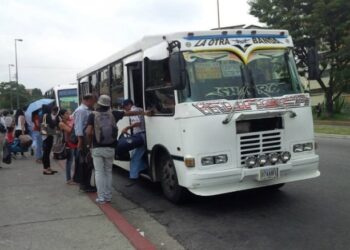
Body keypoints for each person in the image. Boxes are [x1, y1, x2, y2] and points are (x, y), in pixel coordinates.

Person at [86, 95, 150, 204]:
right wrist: (144, 113)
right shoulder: (114, 114)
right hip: (111, 147)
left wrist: (89, 145)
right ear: (109, 104)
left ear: (99, 104)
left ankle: (101, 197)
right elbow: (129, 113)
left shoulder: (92, 115)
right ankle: (108, 196)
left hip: (97, 148)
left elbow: (88, 132)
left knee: (99, 172)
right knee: (108, 172)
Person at [73, 94, 96, 192]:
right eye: (93, 100)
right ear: (88, 100)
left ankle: (86, 183)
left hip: (87, 138)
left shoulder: (87, 110)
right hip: (84, 139)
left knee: (88, 162)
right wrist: (80, 141)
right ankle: (84, 185)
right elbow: (78, 127)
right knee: (85, 162)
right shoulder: (81, 110)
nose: (94, 103)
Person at [121, 99, 147, 186]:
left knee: (134, 159)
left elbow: (138, 123)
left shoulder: (133, 111)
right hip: (143, 135)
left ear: (129, 105)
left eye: (124, 107)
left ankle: (133, 178)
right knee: (137, 156)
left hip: (140, 136)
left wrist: (127, 128)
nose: (125, 109)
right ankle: (143, 168)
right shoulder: (139, 109)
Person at [58, 109, 77, 184]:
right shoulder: (61, 123)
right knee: (69, 161)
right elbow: (70, 130)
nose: (68, 115)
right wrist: (71, 123)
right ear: (62, 115)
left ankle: (73, 177)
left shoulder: (69, 121)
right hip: (67, 144)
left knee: (73, 160)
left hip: (72, 142)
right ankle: (68, 179)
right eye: (66, 113)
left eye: (68, 113)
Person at [42, 106, 59, 175]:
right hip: (47, 135)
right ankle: (45, 169)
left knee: (47, 152)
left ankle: (48, 167)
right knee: (46, 153)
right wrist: (55, 121)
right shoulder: (47, 115)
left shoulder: (44, 115)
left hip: (47, 135)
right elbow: (52, 125)